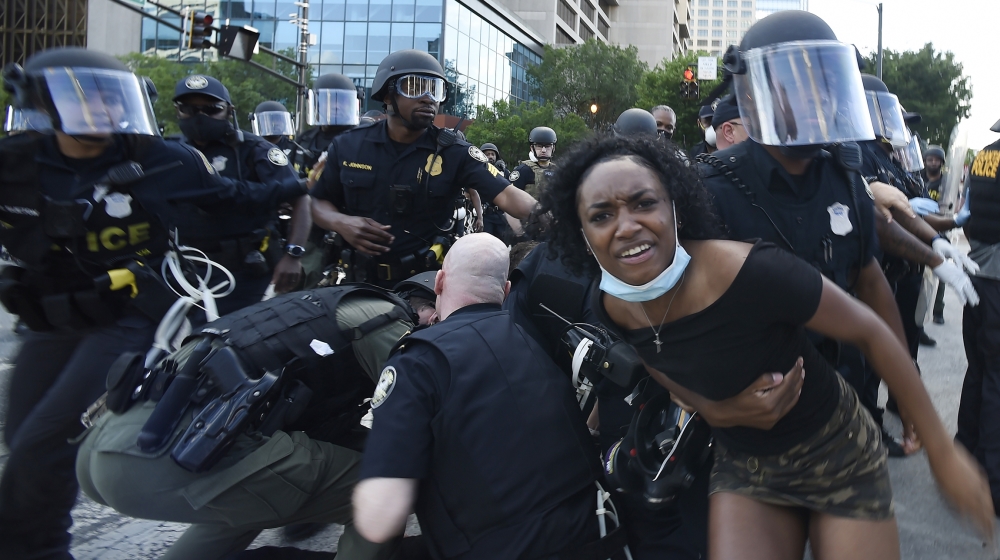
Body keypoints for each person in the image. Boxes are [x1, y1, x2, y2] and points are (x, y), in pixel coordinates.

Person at [542, 132, 995, 560]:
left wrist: (942, 453)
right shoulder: (610, 305)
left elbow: (871, 331)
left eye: (644, 204)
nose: (626, 226)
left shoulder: (751, 270)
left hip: (835, 450)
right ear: (581, 231)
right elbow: (655, 358)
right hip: (744, 463)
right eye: (601, 215)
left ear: (675, 209)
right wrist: (718, 411)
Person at [0, 47, 306, 559]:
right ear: (42, 104)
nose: (97, 109)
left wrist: (299, 192)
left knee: (45, 441)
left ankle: (39, 549)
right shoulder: (14, 161)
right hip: (49, 317)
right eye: (82, 98)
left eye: (107, 97)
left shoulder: (161, 158)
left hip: (125, 318)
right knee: (21, 437)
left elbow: (236, 197)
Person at [699, 12, 975, 458]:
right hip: (751, 421)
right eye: (796, 86)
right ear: (754, 92)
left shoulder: (844, 179)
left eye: (822, 85)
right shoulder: (710, 189)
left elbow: (872, 284)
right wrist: (711, 401)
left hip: (839, 400)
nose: (813, 100)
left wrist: (906, 392)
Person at [76, 274, 438, 560]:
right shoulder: (387, 322)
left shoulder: (333, 304)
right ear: (430, 313)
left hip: (107, 449)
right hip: (176, 448)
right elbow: (435, 417)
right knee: (378, 494)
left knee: (252, 500)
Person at [353, 233, 629, 559]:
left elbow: (379, 520)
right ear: (507, 290)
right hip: (596, 536)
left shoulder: (417, 361)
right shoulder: (536, 345)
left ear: (439, 281)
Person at [310, 49, 538, 289]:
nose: (428, 97)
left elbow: (508, 194)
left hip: (425, 286)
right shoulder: (349, 145)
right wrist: (341, 223)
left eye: (435, 89)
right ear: (387, 96)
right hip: (355, 282)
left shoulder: (454, 151)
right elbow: (317, 202)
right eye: (415, 87)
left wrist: (558, 218)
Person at [172, 75, 311, 305]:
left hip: (248, 269)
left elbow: (300, 197)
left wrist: (293, 254)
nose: (200, 117)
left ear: (229, 111)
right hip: (187, 268)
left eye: (211, 108)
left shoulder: (255, 149)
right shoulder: (171, 152)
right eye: (188, 109)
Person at [956, 119, 1000, 515]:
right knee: (997, 380)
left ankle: (964, 454)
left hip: (977, 273)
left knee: (979, 369)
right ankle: (993, 482)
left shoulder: (986, 155)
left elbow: (970, 212)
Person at [477, 142, 513, 242]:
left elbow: (511, 189)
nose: (490, 156)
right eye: (487, 154)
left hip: (501, 214)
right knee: (486, 242)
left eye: (492, 154)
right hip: (485, 214)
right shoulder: (477, 171)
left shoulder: (504, 171)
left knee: (504, 242)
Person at [510, 126, 558, 199]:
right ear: (532, 148)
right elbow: (511, 199)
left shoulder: (559, 171)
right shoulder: (523, 170)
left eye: (547, 146)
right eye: (539, 146)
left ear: (553, 148)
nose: (543, 150)